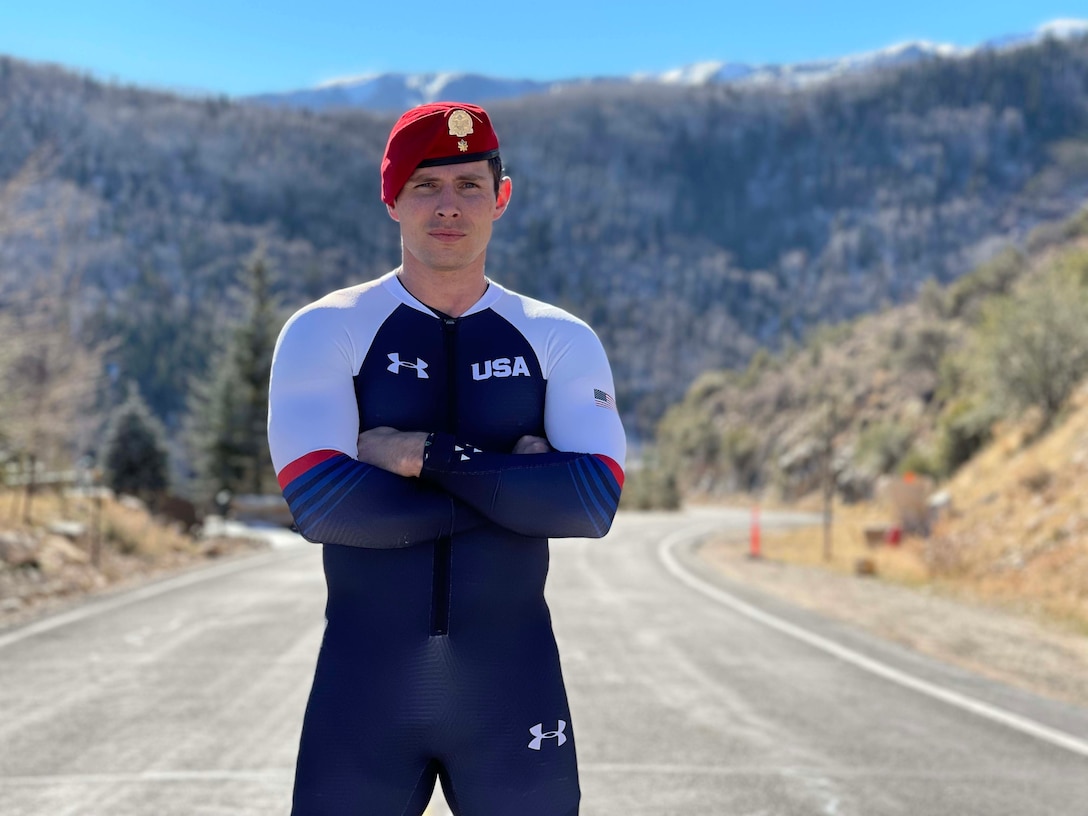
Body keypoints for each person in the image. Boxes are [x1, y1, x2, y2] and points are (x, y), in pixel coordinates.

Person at [267, 101, 626, 816]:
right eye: (425, 186)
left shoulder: (559, 338)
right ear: (392, 199)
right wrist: (515, 483)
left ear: (502, 196)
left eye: (468, 184)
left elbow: (588, 504)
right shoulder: (327, 329)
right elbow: (325, 505)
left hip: (512, 689)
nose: (448, 206)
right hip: (364, 695)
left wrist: (421, 454)